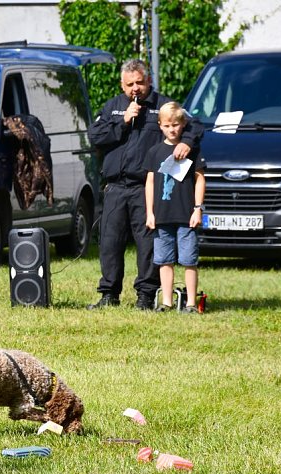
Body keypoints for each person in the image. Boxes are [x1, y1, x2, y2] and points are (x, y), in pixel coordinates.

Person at [87, 59, 204, 310]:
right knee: (110, 243)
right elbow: (94, 135)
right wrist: (122, 121)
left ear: (148, 81)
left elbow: (194, 125)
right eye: (130, 84)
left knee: (147, 244)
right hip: (115, 187)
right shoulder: (113, 107)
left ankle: (146, 295)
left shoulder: (163, 106)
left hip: (145, 187)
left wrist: (187, 142)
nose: (135, 89)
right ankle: (109, 294)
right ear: (122, 85)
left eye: (140, 82)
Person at [143, 102, 206, 312]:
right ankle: (167, 302)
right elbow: (150, 182)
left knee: (189, 260)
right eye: (167, 126)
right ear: (160, 125)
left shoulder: (191, 150)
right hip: (162, 216)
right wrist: (150, 213)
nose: (172, 130)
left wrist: (198, 208)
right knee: (164, 260)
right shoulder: (154, 152)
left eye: (176, 125)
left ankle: (191, 303)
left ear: (183, 124)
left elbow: (200, 179)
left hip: (186, 215)